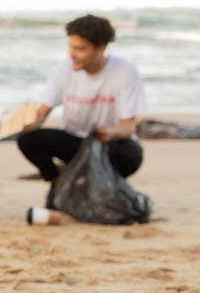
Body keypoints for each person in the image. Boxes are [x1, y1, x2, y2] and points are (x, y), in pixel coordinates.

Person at [17, 14, 146, 208]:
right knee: (27, 139)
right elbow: (41, 115)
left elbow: (128, 128)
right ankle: (59, 182)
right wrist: (23, 124)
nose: (72, 54)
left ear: (100, 48)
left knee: (132, 152)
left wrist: (111, 132)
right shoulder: (62, 71)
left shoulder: (125, 71)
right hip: (74, 144)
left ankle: (101, 184)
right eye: (70, 47)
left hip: (105, 145)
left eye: (80, 48)